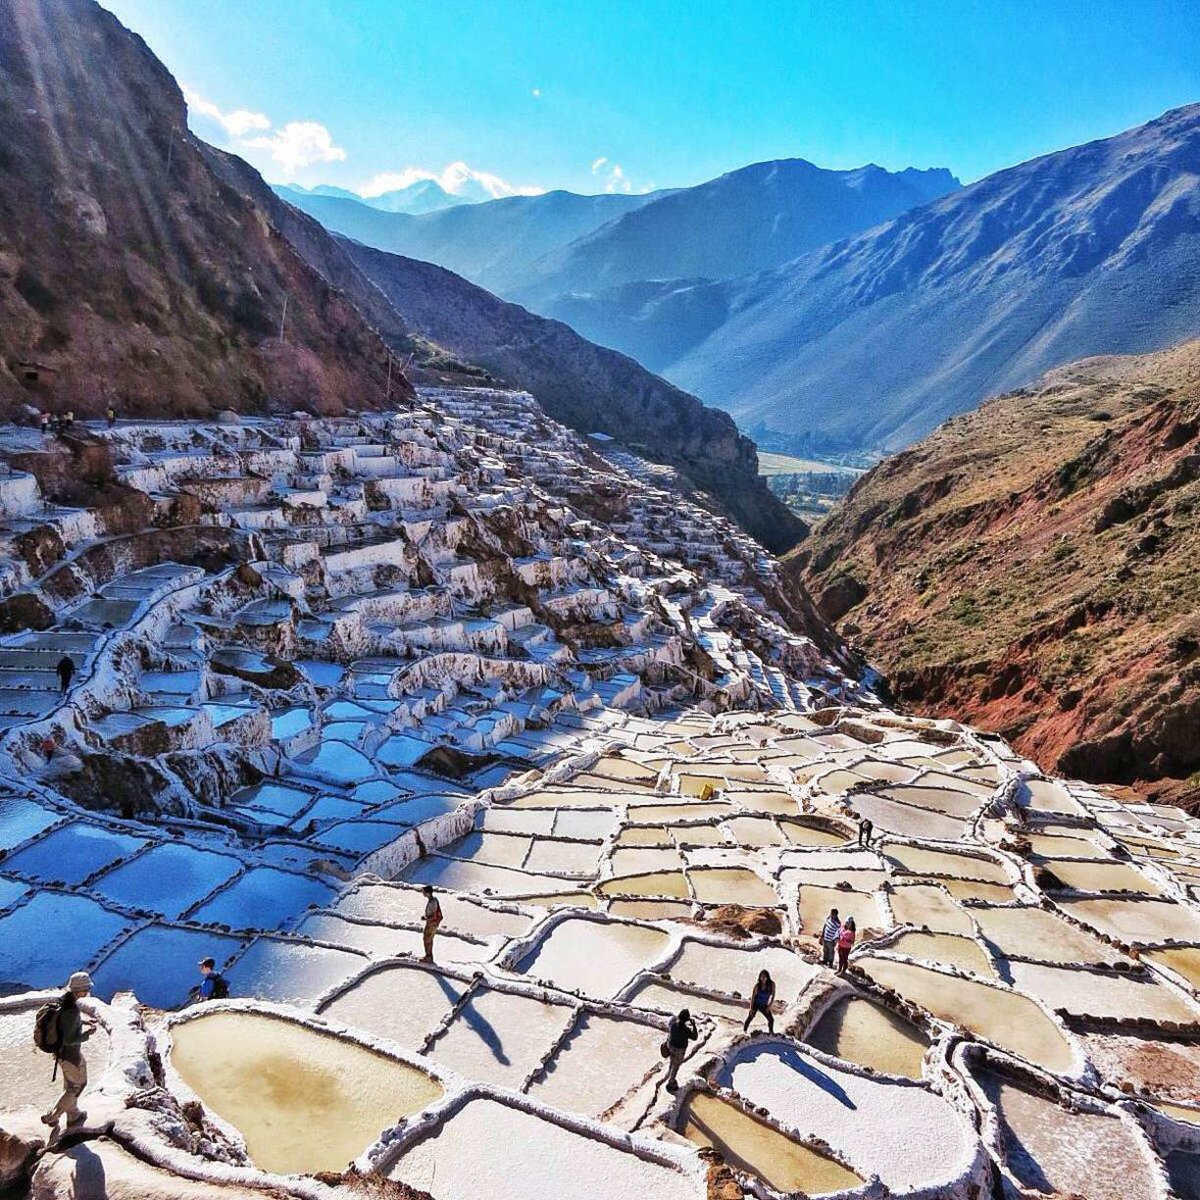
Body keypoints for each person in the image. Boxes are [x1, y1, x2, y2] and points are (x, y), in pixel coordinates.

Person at [41, 971, 97, 1130]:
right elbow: (70, 1039)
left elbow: (65, 1024)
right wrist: (87, 1034)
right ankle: (53, 1116)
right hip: (70, 1055)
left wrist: (83, 1021)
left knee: (72, 1085)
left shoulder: (65, 1002)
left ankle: (73, 1114)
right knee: (76, 1087)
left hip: (62, 1054)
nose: (87, 991)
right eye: (85, 988)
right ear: (78, 990)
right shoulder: (71, 1009)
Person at [664, 1008, 697, 1092]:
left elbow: (670, 1034)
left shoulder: (674, 1024)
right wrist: (693, 1025)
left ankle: (669, 1074)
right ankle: (671, 1082)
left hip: (671, 1046)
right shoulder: (685, 1029)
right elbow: (695, 1037)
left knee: (672, 1062)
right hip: (680, 1049)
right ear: (687, 1019)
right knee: (676, 1066)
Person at [743, 969, 776, 1034]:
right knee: (750, 1017)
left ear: (767, 977)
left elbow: (773, 996)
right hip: (756, 1004)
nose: (763, 978)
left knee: (771, 1019)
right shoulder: (757, 986)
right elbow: (753, 998)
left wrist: (769, 1006)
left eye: (764, 977)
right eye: (761, 977)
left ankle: (771, 1032)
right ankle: (744, 1031)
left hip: (764, 1005)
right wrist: (751, 1008)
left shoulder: (771, 985)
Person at [422, 885, 442, 962]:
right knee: (428, 939)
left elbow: (434, 915)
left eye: (424, 892)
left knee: (427, 939)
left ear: (428, 893)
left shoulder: (433, 902)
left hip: (432, 923)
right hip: (431, 923)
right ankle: (428, 956)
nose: (423, 893)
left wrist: (426, 918)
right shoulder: (432, 900)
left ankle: (428, 957)